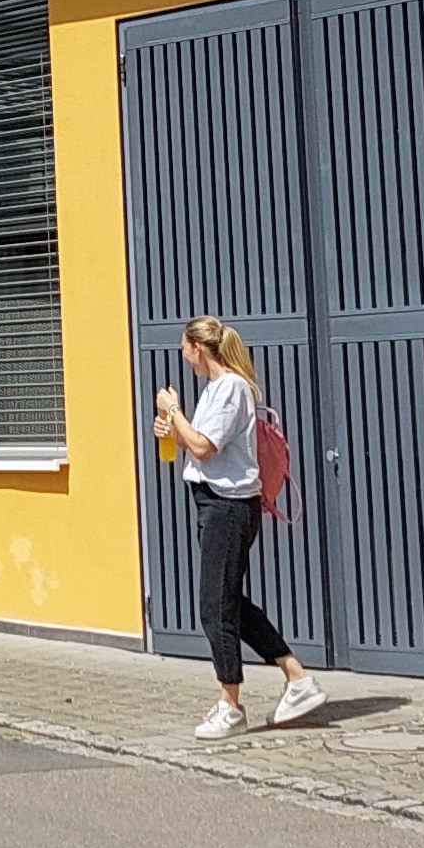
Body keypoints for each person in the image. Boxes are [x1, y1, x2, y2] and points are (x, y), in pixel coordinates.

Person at [152, 314, 320, 736]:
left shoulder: (231, 388)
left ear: (198, 347)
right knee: (229, 603)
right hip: (214, 503)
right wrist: (171, 428)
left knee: (216, 608)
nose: (181, 354)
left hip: (228, 506)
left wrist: (173, 410)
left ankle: (231, 706)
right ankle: (297, 677)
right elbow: (199, 443)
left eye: (183, 346)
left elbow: (204, 448)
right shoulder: (215, 389)